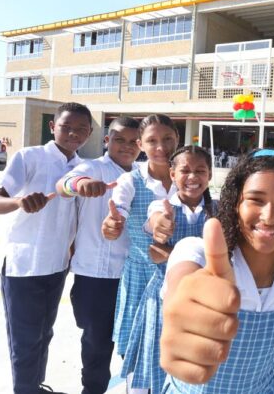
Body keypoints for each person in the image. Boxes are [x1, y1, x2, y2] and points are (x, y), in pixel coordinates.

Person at [160, 149, 274, 393]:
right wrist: (186, 309)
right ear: (235, 204)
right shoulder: (198, 254)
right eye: (255, 200)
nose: (268, 216)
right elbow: (182, 286)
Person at [0, 102, 93, 394]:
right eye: (67, 126)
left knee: (44, 333)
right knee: (24, 340)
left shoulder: (81, 167)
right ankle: (25, 389)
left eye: (82, 129)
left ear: (90, 132)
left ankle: (35, 385)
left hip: (57, 266)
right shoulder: (29, 157)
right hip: (24, 265)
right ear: (52, 127)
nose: (74, 133)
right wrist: (18, 202)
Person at [54, 116, 140, 394]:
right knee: (96, 343)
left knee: (137, 343)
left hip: (135, 276)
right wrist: (81, 184)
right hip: (95, 275)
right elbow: (65, 184)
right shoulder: (91, 167)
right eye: (119, 139)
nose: (126, 146)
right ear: (106, 141)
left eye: (132, 141)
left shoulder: (143, 175)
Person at [122, 146, 215, 393]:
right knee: (156, 356)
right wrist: (160, 227)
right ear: (172, 174)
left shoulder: (218, 211)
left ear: (210, 175)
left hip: (205, 304)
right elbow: (155, 249)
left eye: (200, 171)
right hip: (165, 301)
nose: (193, 177)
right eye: (185, 170)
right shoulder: (162, 207)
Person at [102, 114, 179, 394]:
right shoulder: (130, 181)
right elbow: (118, 211)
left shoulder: (189, 177)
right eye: (152, 141)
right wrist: (112, 224)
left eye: (168, 139)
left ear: (177, 139)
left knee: (176, 346)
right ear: (141, 144)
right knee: (138, 349)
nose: (161, 147)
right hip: (141, 278)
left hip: (180, 277)